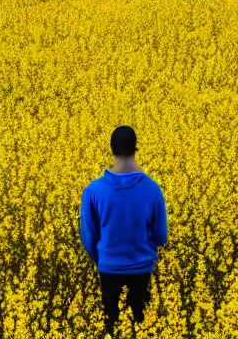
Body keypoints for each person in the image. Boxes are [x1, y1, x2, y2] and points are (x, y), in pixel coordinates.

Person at [79, 125, 168, 338]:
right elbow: (161, 236)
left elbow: (88, 236)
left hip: (108, 268)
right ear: (136, 149)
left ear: (111, 150)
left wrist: (101, 258)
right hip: (142, 268)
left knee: (112, 325)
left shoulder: (93, 190)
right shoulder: (152, 189)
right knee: (141, 325)